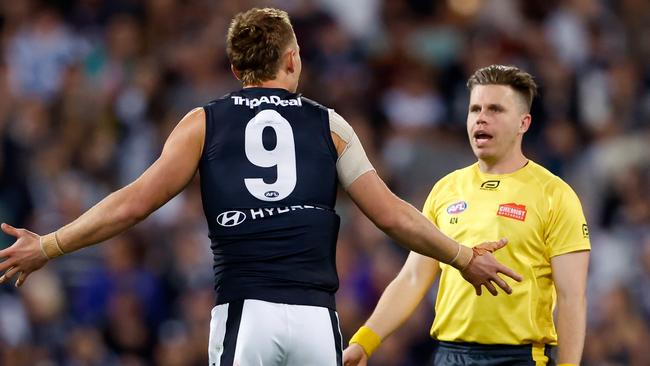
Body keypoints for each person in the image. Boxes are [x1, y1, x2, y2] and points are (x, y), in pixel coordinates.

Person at [0, 9, 521, 366]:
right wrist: (462, 256)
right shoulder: (331, 126)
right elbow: (390, 215)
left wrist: (48, 245)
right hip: (318, 321)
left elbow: (133, 204)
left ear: (235, 69)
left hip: (246, 315)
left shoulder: (203, 123)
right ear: (292, 60)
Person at [343, 65, 591, 366]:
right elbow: (412, 278)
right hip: (450, 356)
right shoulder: (446, 190)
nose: (481, 118)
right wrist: (364, 341)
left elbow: (571, 298)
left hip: (519, 358)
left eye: (496, 109)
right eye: (475, 109)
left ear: (523, 123)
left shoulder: (555, 194)